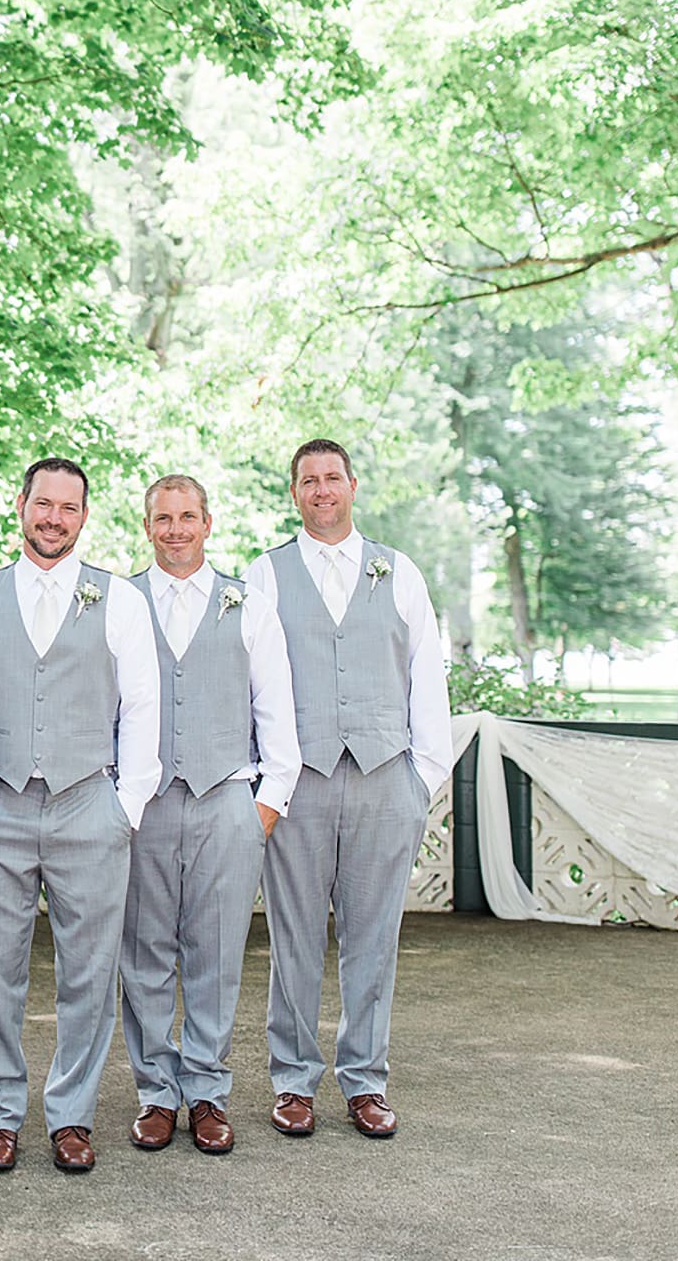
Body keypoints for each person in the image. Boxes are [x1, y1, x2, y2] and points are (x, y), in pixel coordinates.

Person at [0, 457, 161, 1174]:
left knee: (88, 971)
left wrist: (125, 806)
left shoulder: (120, 600)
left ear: (84, 516)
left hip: (89, 806)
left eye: (68, 508)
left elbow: (141, 707)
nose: (53, 518)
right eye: (42, 504)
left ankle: (71, 1116)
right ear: (21, 506)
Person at [248, 438, 449, 1139]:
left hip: (383, 779)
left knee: (373, 940)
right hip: (298, 784)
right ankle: (294, 1082)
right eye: (309, 480)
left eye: (333, 478)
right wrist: (269, 783)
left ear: (354, 486)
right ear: (295, 492)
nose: (322, 490)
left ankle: (365, 1081)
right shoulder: (265, 576)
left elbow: (428, 678)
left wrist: (420, 780)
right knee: (294, 939)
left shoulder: (400, 572)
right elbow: (253, 686)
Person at [119, 475, 299, 1154]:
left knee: (218, 957)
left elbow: (275, 708)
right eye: (162, 518)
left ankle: (208, 1092)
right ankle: (156, 1094)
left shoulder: (246, 604)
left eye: (186, 517)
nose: (175, 530)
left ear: (208, 522)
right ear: (147, 526)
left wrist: (262, 812)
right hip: (145, 804)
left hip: (228, 798)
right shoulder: (120, 601)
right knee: (144, 955)